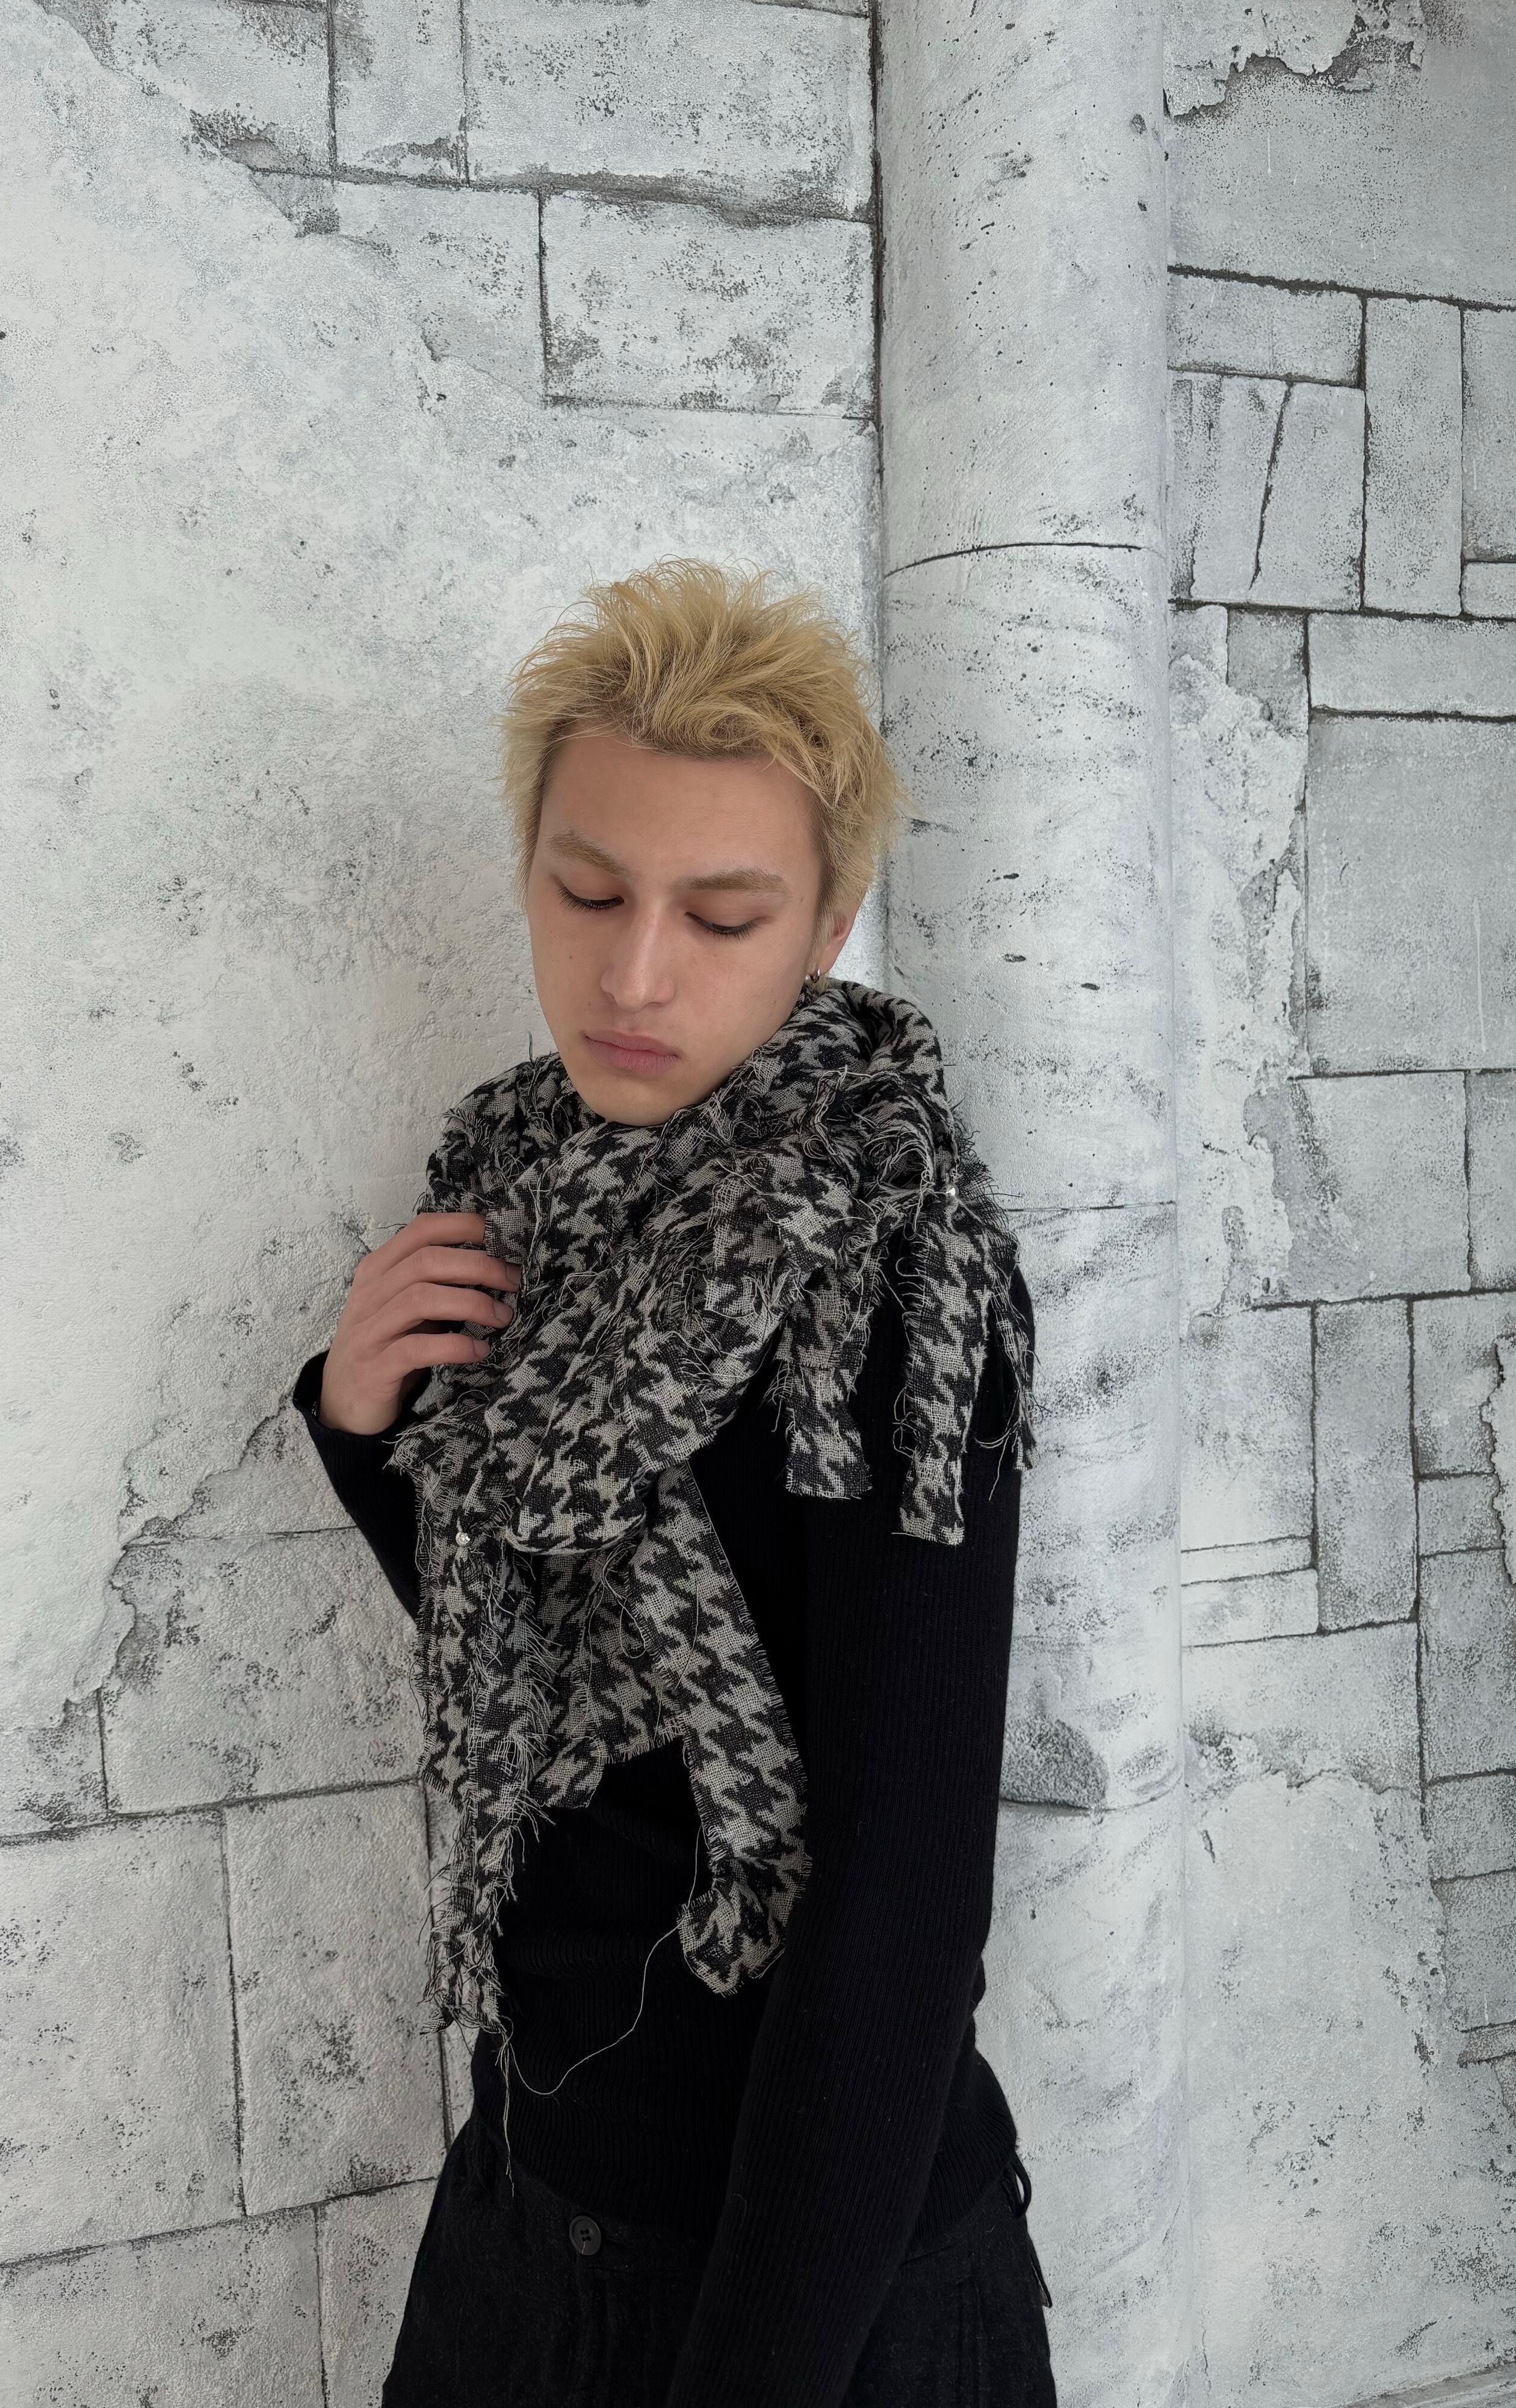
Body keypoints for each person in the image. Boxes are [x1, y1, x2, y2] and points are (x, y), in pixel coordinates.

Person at [290, 559, 1057, 2408]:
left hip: (815, 2284)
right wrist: (367, 1430)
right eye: (588, 893)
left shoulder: (892, 1283)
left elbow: (893, 1923)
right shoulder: (524, 1206)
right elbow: (580, 1711)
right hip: (527, 2204)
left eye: (722, 916)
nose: (636, 975)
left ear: (828, 927)